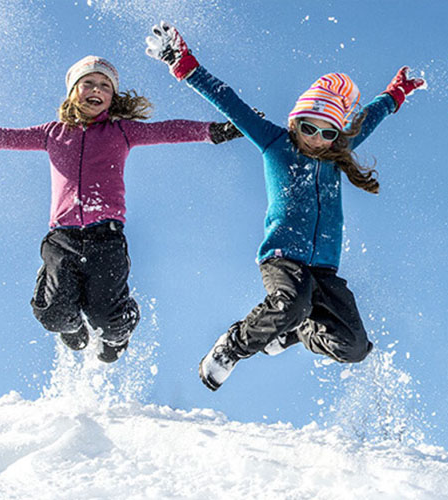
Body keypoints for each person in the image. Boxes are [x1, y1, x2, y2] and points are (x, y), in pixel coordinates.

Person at [0, 55, 244, 363]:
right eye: (88, 82)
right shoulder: (52, 134)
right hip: (62, 239)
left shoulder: (120, 132)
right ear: (73, 91)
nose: (96, 89)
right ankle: (71, 328)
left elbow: (169, 130)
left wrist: (219, 131)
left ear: (113, 96)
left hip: (106, 239)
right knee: (54, 314)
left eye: (104, 85)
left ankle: (119, 333)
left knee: (108, 317)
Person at [144, 22, 424, 390]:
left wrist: (394, 95)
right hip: (284, 257)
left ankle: (293, 332)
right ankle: (233, 346)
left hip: (324, 270)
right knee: (291, 302)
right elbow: (231, 102)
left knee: (355, 347)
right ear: (296, 122)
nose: (318, 139)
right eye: (310, 128)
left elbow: (365, 120)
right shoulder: (276, 143)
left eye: (328, 134)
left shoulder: (336, 156)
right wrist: (185, 65)